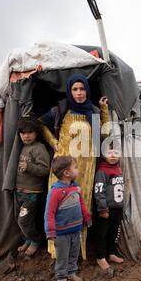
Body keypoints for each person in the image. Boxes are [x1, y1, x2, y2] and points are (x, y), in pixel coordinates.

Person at [39, 73, 110, 260]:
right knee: (58, 207)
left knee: (80, 207)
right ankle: (57, 253)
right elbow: (39, 124)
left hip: (84, 168)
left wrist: (104, 110)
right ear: (70, 91)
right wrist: (52, 141)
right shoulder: (61, 109)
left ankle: (77, 252)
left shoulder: (93, 111)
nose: (79, 93)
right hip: (61, 166)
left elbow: (105, 132)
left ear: (87, 90)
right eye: (75, 89)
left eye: (82, 89)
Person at [45, 156, 92, 281]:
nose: (77, 170)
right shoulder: (55, 192)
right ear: (67, 173)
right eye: (75, 167)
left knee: (73, 253)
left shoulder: (76, 187)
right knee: (62, 256)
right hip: (61, 233)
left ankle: (71, 273)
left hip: (76, 230)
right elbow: (49, 213)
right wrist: (51, 231)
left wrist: (86, 217)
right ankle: (61, 278)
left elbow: (81, 203)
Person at [15, 117, 51, 256]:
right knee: (21, 219)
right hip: (19, 191)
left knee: (24, 220)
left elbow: (45, 169)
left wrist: (29, 167)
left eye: (30, 132)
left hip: (32, 192)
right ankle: (28, 240)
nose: (26, 136)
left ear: (36, 133)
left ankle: (36, 240)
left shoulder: (38, 148)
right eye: (23, 133)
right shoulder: (21, 147)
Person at [94, 147, 125, 270]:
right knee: (102, 234)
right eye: (109, 153)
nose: (113, 155)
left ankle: (111, 253)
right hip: (107, 209)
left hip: (118, 207)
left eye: (116, 152)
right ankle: (100, 257)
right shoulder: (102, 171)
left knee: (113, 232)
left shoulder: (118, 169)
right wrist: (102, 208)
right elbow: (99, 191)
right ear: (103, 155)